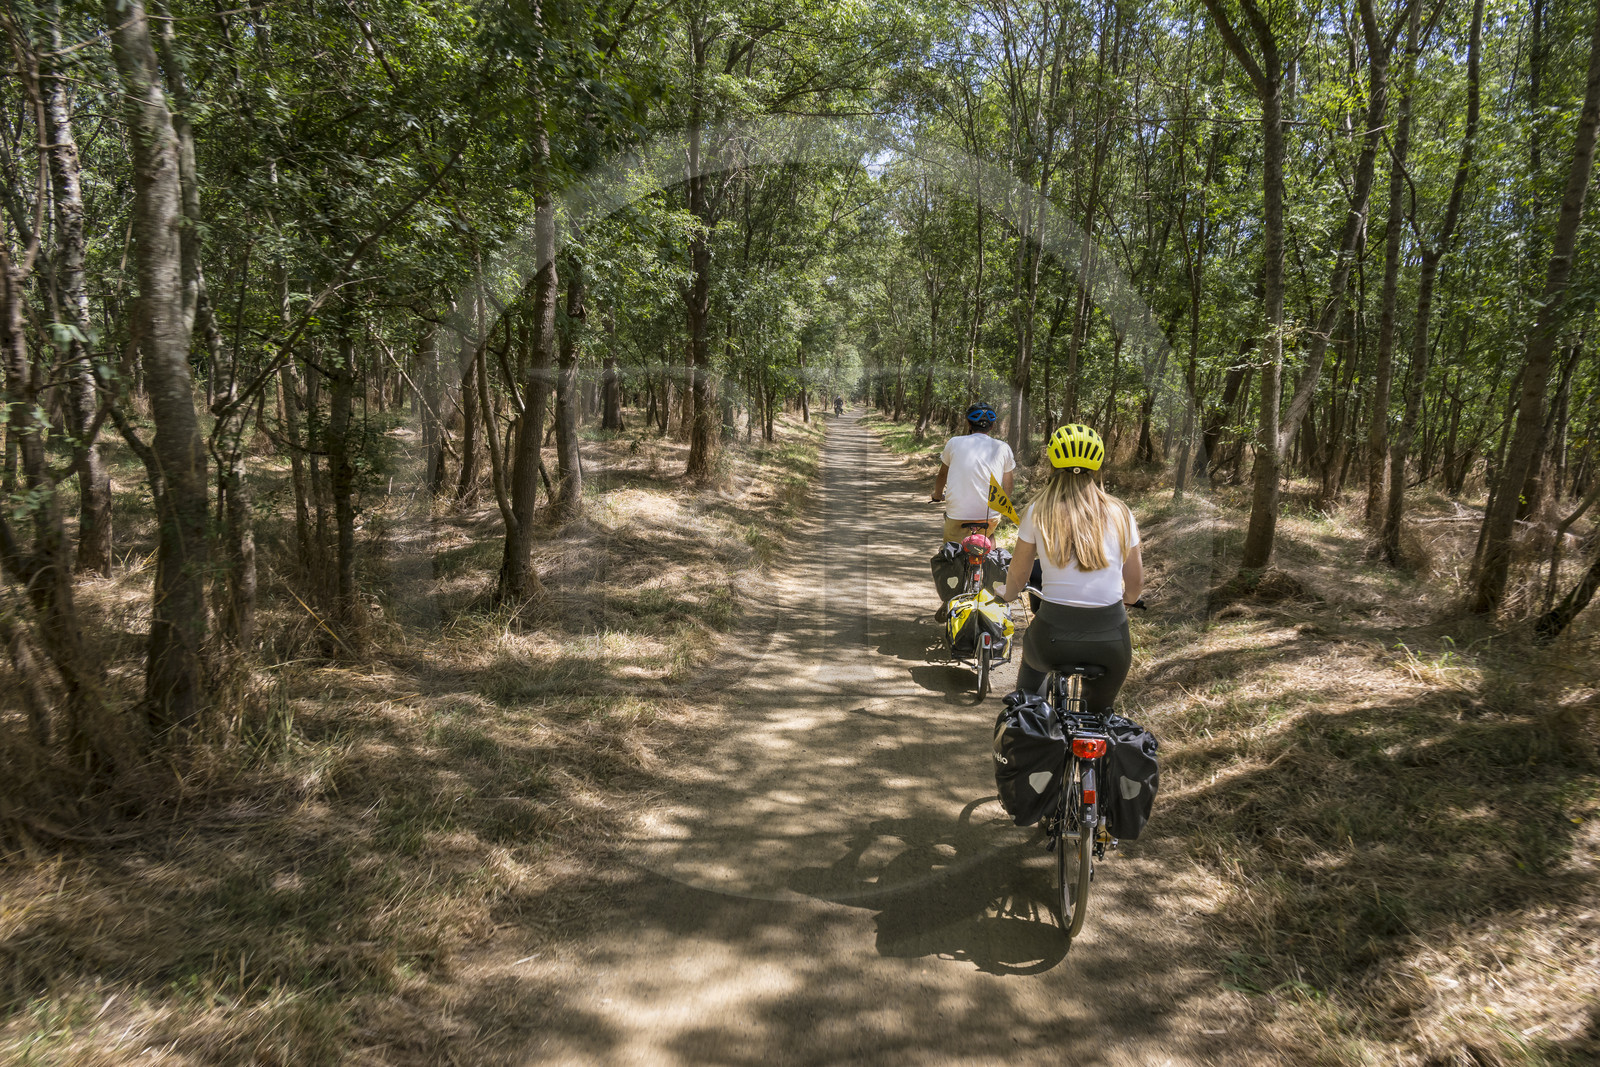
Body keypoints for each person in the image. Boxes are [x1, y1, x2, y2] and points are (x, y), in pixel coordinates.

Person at [998, 423, 1142, 714]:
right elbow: (1135, 584)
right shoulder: (1121, 512)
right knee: (1099, 718)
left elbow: (1019, 573)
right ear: (1098, 466)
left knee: (1026, 708)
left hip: (1052, 636)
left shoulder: (1039, 510)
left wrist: (1009, 594)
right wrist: (1128, 600)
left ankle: (1028, 734)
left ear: (1052, 463)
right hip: (1111, 640)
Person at [931, 402, 1015, 544]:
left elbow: (942, 475)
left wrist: (937, 495)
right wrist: (1001, 506)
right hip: (990, 514)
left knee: (950, 552)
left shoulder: (954, 442)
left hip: (958, 514)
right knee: (989, 537)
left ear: (969, 424)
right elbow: (1009, 484)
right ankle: (990, 561)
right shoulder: (1003, 447)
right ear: (992, 426)